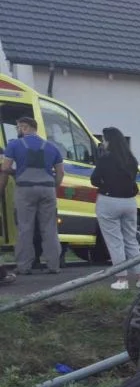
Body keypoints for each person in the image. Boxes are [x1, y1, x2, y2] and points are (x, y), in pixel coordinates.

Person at [0, 117, 64, 275]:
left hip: (25, 189)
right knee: (49, 228)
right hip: (48, 189)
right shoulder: (52, 147)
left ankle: (24, 266)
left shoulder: (14, 144)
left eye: (18, 128)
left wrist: (15, 173)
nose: (18, 130)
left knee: (25, 228)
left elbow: (5, 168)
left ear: (24, 127)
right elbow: (61, 173)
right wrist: (52, 186)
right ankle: (54, 265)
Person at [92, 127, 140, 290]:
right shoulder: (131, 160)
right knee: (131, 239)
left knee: (115, 241)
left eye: (104, 139)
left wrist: (105, 183)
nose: (103, 142)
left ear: (109, 141)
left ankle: (122, 279)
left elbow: (94, 180)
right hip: (130, 202)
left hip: (109, 201)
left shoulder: (105, 159)